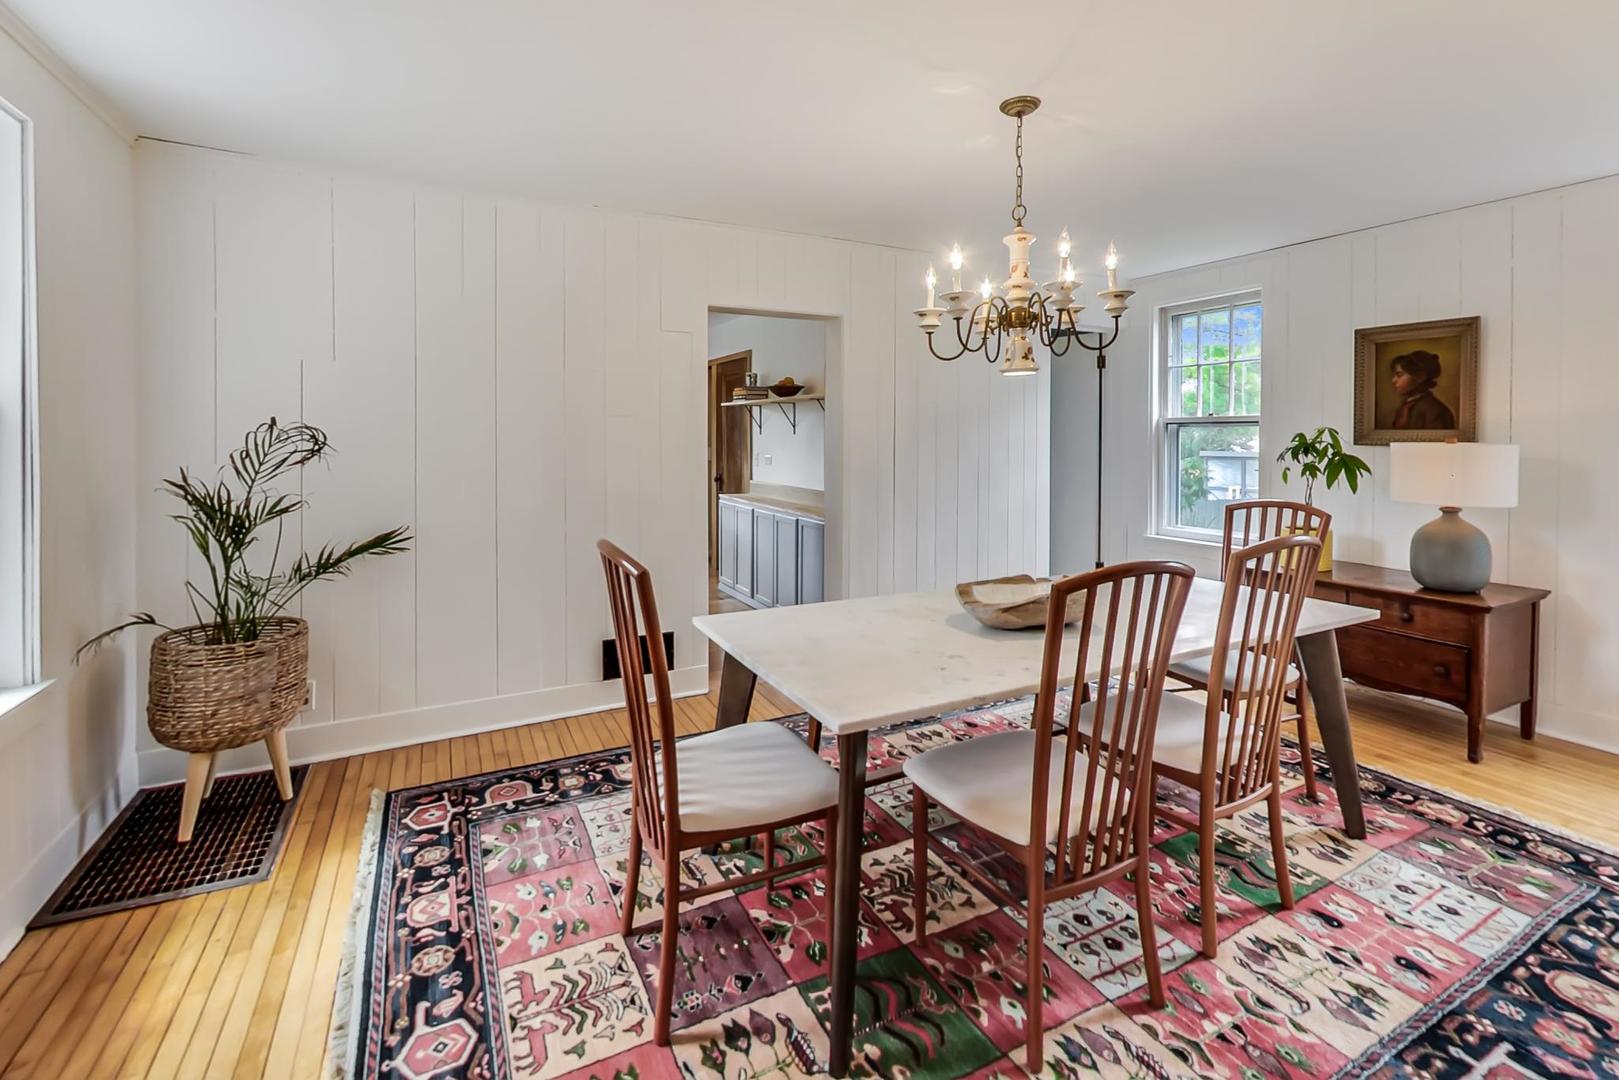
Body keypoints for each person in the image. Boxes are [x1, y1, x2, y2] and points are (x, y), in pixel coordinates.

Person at [1389, 350, 1456, 430]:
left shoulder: (1436, 410)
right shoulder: (1403, 406)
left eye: (1399, 375)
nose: (1393, 380)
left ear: (1419, 377)